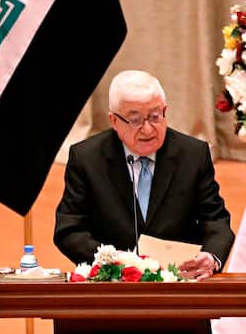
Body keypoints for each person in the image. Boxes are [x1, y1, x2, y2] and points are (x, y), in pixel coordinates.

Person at [54, 70, 233, 280]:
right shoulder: (87, 158)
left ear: (165, 111)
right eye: (135, 119)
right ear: (114, 120)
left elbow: (216, 221)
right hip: (111, 285)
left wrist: (211, 257)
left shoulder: (193, 155)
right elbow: (69, 229)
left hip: (178, 283)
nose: (147, 129)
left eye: (155, 116)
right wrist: (110, 260)